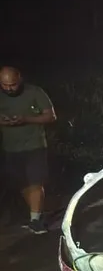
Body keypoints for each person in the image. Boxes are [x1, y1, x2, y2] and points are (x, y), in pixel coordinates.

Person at [0, 67, 56, 234]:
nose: (9, 88)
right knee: (23, 184)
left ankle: (35, 220)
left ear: (20, 79)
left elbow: (51, 116)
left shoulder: (35, 92)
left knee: (35, 182)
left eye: (13, 84)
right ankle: (36, 215)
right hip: (11, 147)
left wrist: (26, 119)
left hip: (35, 145)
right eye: (5, 85)